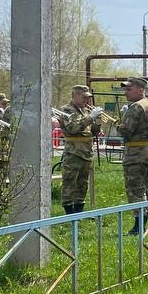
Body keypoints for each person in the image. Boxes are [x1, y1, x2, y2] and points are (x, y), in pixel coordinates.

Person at [116, 76, 148, 233]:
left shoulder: (135, 107)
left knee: (135, 190)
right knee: (146, 189)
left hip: (135, 153)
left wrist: (119, 122)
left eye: (129, 89)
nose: (125, 93)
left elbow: (126, 131)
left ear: (141, 90)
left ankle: (138, 226)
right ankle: (144, 222)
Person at [59, 85, 105, 214]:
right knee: (70, 181)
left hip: (86, 152)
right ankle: (69, 211)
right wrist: (90, 118)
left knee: (83, 183)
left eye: (88, 98)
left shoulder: (86, 111)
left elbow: (94, 132)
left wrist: (97, 121)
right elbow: (73, 128)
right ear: (76, 95)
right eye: (85, 97)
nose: (87, 100)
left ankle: (79, 210)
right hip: (73, 151)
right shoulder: (66, 110)